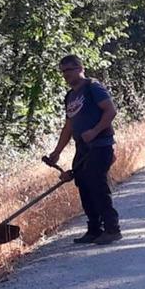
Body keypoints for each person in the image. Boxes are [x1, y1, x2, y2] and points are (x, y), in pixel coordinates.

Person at [44, 55, 122, 245]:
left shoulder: (92, 87)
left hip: (101, 144)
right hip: (83, 147)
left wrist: (95, 131)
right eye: (62, 71)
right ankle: (95, 229)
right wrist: (56, 153)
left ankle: (112, 229)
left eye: (69, 70)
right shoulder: (70, 96)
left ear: (80, 68)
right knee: (84, 185)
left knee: (97, 183)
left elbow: (110, 111)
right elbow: (69, 126)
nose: (65, 75)